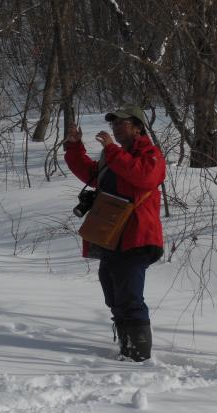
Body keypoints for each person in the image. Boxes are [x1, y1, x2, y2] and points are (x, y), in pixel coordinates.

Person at [64, 104, 165, 361]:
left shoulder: (151, 154)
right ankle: (127, 350)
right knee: (114, 294)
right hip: (112, 236)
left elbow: (144, 177)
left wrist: (110, 149)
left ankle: (138, 356)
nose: (116, 128)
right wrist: (75, 147)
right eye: (114, 124)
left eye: (122, 123)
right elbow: (91, 174)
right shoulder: (115, 158)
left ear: (138, 127)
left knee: (129, 297)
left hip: (137, 237)